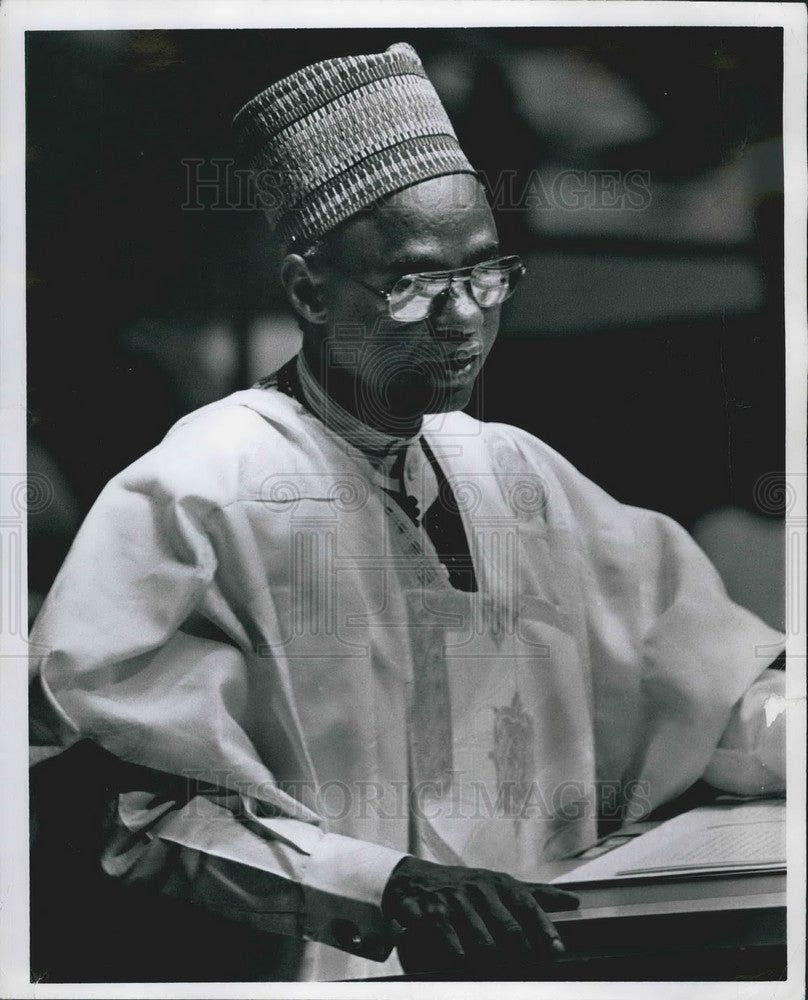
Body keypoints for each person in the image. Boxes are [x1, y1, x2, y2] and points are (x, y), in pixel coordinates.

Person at [28, 42, 785, 983]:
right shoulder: (197, 491)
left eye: (486, 275)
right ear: (308, 289)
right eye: (416, 283)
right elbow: (135, 812)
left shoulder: (513, 469)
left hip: (562, 953)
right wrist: (387, 885)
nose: (465, 317)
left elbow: (710, 679)